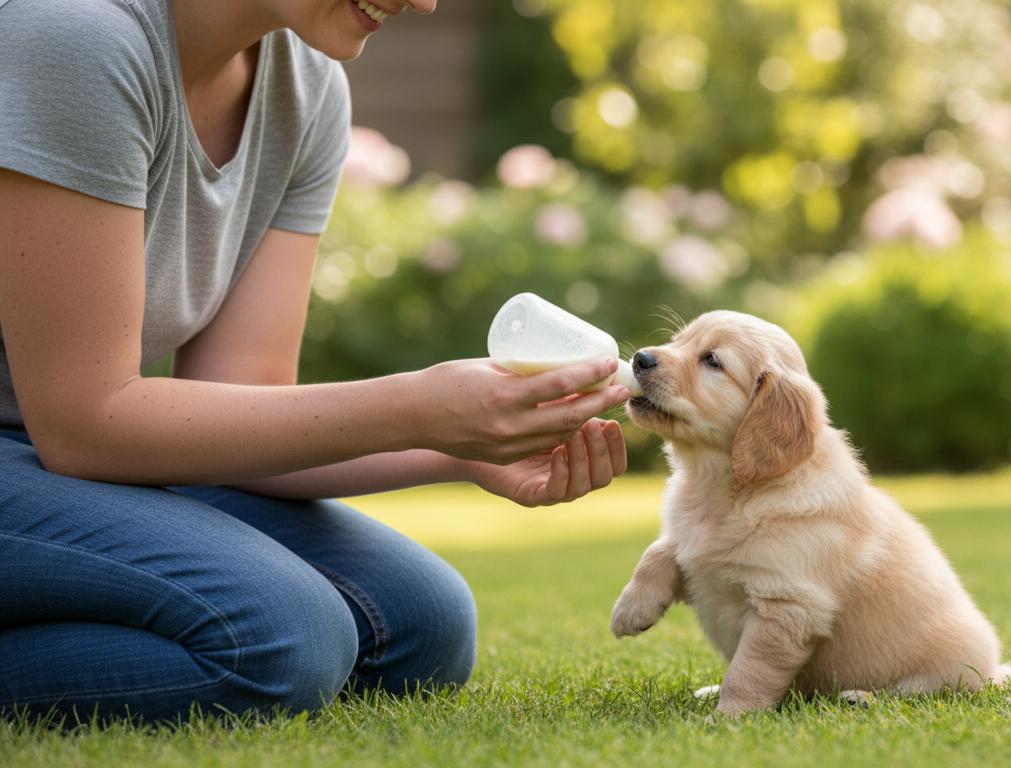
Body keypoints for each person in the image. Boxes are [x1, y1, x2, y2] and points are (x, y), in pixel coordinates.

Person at [0, 0, 631, 725]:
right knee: (282, 636)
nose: (424, 2)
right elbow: (86, 423)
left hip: (48, 461)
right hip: (55, 447)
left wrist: (460, 447)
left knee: (421, 622)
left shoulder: (305, 83)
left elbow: (240, 403)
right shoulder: (76, 38)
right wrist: (414, 406)